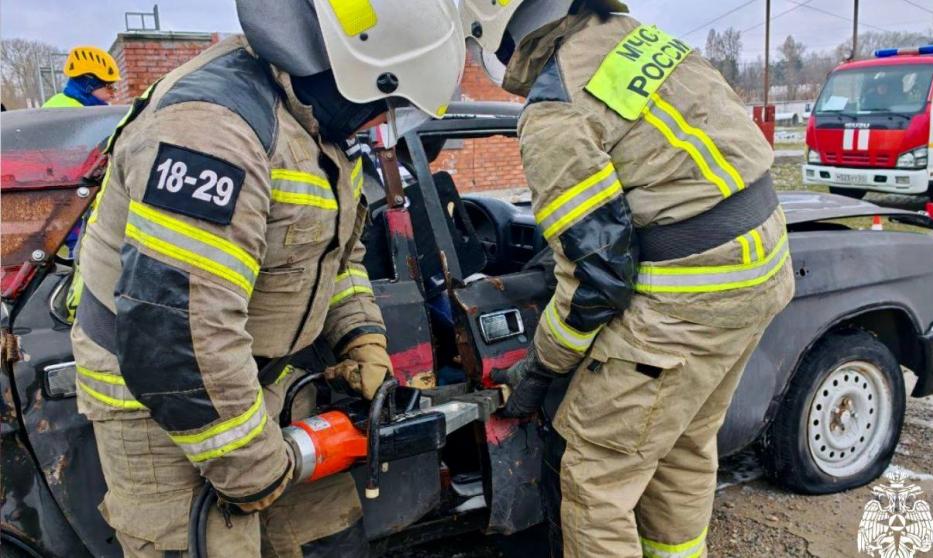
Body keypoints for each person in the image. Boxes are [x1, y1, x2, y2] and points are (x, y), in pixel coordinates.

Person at [69, 0, 464, 556]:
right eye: (390, 104)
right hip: (160, 405)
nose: (384, 122)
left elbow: (336, 259)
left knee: (328, 539)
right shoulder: (213, 131)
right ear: (359, 73)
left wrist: (363, 339)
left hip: (263, 380)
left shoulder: (322, 127)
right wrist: (253, 467)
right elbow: (176, 333)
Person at [461, 1, 795, 556]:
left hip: (688, 301)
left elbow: (598, 277)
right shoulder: (644, 40)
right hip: (760, 270)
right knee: (682, 446)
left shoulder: (556, 109)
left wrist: (543, 366)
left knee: (596, 478)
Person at [43, 46, 119, 107]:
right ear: (88, 85)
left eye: (114, 89)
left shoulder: (83, 108)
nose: (113, 95)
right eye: (109, 87)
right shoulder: (65, 111)